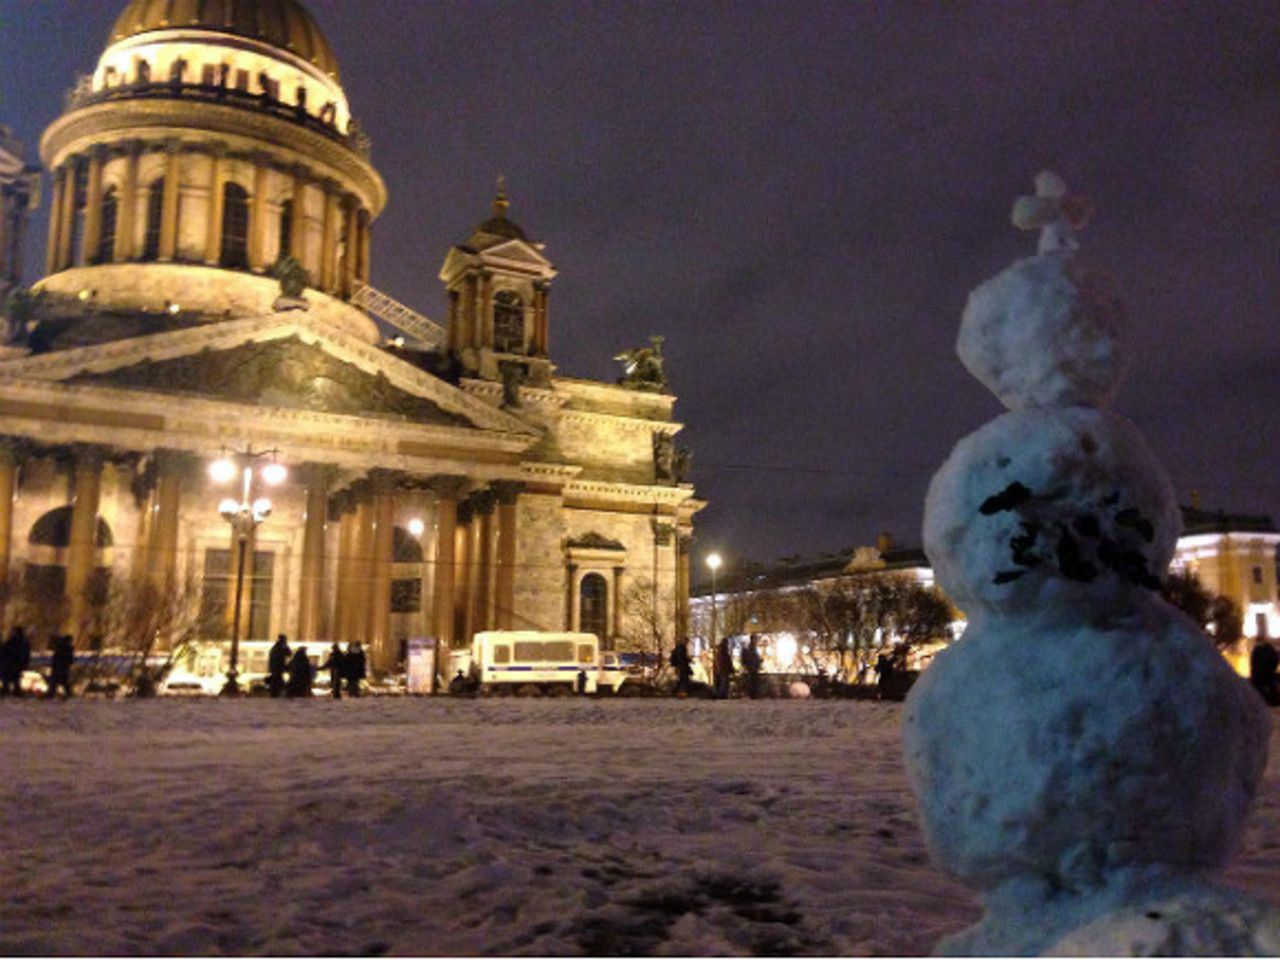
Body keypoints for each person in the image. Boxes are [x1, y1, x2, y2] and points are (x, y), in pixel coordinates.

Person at [1250, 640, 1279, 706]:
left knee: (1260, 688)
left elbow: (1253, 663)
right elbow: (1275, 661)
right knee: (1271, 687)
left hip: (1259, 674)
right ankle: (1273, 701)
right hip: (1267, 673)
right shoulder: (1269, 650)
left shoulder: (1257, 650)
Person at [46, 634, 74, 699]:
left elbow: (55, 658)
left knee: (55, 682)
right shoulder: (67, 648)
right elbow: (68, 659)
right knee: (63, 681)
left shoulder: (60, 647)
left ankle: (51, 694)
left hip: (58, 667)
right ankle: (68, 693)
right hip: (62, 667)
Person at [267, 634, 290, 698]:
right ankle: (276, 694)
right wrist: (286, 645)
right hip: (277, 668)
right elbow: (289, 653)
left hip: (275, 668)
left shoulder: (276, 647)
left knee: (277, 681)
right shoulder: (279, 647)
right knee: (277, 681)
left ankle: (275, 694)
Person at [742, 634, 763, 699]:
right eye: (755, 639)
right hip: (752, 668)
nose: (756, 640)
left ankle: (754, 695)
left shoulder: (753, 648)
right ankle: (754, 695)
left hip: (752, 667)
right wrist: (758, 661)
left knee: (754, 681)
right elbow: (752, 658)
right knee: (753, 682)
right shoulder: (751, 648)